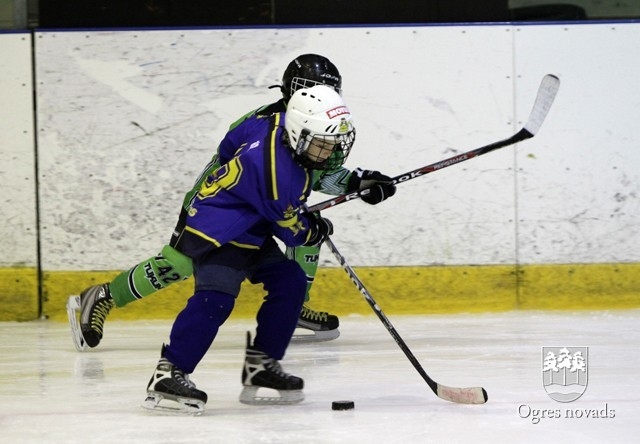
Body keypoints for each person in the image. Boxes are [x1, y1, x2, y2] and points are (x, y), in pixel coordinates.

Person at [67, 54, 396, 351]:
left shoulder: (309, 128)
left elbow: (319, 171)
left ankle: (293, 310)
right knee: (179, 266)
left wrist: (359, 180)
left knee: (307, 240)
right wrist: (342, 187)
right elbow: (274, 173)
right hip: (220, 208)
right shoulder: (266, 126)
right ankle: (106, 295)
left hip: (265, 207)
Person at [143, 85, 354, 413]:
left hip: (250, 225)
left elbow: (230, 145)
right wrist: (318, 229)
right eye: (322, 145)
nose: (329, 153)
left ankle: (261, 364)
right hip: (216, 229)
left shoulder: (275, 125)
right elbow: (295, 232)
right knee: (217, 299)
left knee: (290, 281)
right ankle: (168, 372)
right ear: (299, 134)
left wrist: (362, 180)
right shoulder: (275, 170)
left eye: (332, 144)